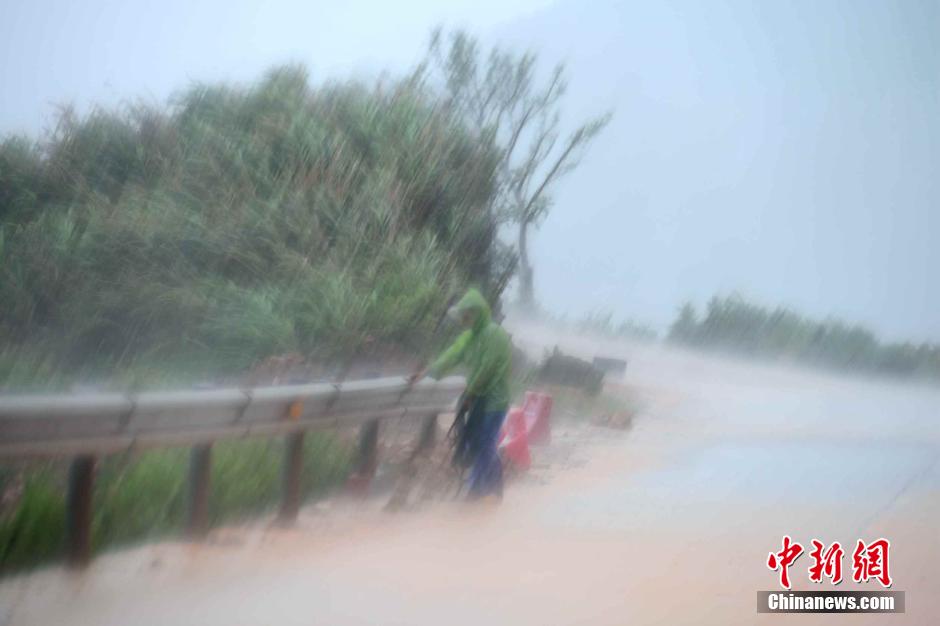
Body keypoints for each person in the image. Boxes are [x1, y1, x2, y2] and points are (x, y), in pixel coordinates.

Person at [410, 288, 512, 499]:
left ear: (476, 313)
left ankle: (476, 491)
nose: (463, 319)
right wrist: (428, 372)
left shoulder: (494, 334)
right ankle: (492, 487)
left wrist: (471, 392)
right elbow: (452, 355)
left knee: (485, 443)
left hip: (494, 400)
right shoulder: (470, 337)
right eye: (462, 315)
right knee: (476, 444)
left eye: (466, 315)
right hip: (476, 397)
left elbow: (487, 368)